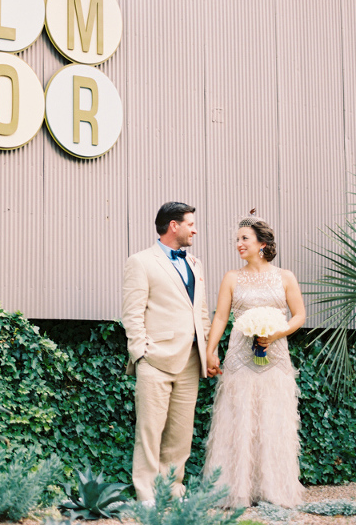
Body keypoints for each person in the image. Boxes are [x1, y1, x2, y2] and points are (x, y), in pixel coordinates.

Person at [204, 215, 306, 508]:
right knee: (239, 420)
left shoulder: (285, 277)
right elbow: (221, 317)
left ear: (262, 244)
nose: (238, 244)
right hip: (239, 357)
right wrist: (211, 351)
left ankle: (274, 489)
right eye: (237, 239)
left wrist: (277, 333)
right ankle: (236, 490)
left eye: (244, 239)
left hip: (275, 358)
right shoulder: (231, 278)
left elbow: (299, 315)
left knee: (273, 420)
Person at [122, 202, 212, 503]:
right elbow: (132, 314)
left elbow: (200, 311)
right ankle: (146, 495)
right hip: (155, 360)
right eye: (190, 224)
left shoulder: (196, 264)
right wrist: (141, 353)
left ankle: (173, 491)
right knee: (149, 431)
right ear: (173, 225)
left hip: (191, 360)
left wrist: (208, 351)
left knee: (180, 434)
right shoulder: (141, 262)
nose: (195, 229)